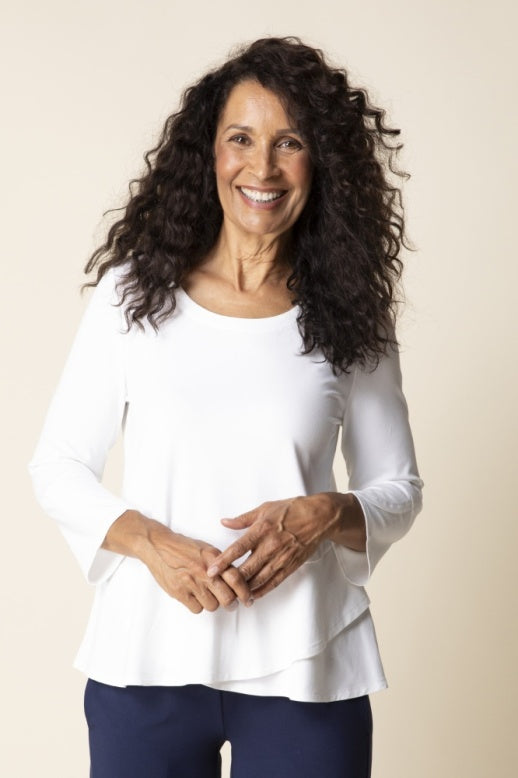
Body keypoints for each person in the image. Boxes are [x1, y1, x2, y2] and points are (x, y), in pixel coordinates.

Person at [28, 36, 423, 778]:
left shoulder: (349, 314)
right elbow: (57, 465)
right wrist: (148, 540)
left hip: (308, 665)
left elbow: (398, 489)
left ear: (321, 162)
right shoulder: (131, 297)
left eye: (289, 143)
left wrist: (323, 513)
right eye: (240, 138)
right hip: (146, 659)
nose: (261, 168)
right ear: (207, 152)